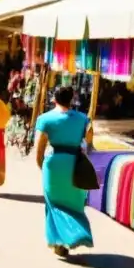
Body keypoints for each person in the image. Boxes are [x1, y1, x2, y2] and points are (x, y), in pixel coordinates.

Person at [35, 86, 95, 256]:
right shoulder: (82, 118)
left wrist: (41, 165)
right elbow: (89, 141)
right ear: (72, 99)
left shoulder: (45, 119)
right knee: (74, 204)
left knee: (53, 204)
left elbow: (39, 147)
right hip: (75, 164)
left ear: (54, 98)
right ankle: (74, 234)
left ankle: (59, 242)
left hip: (54, 164)